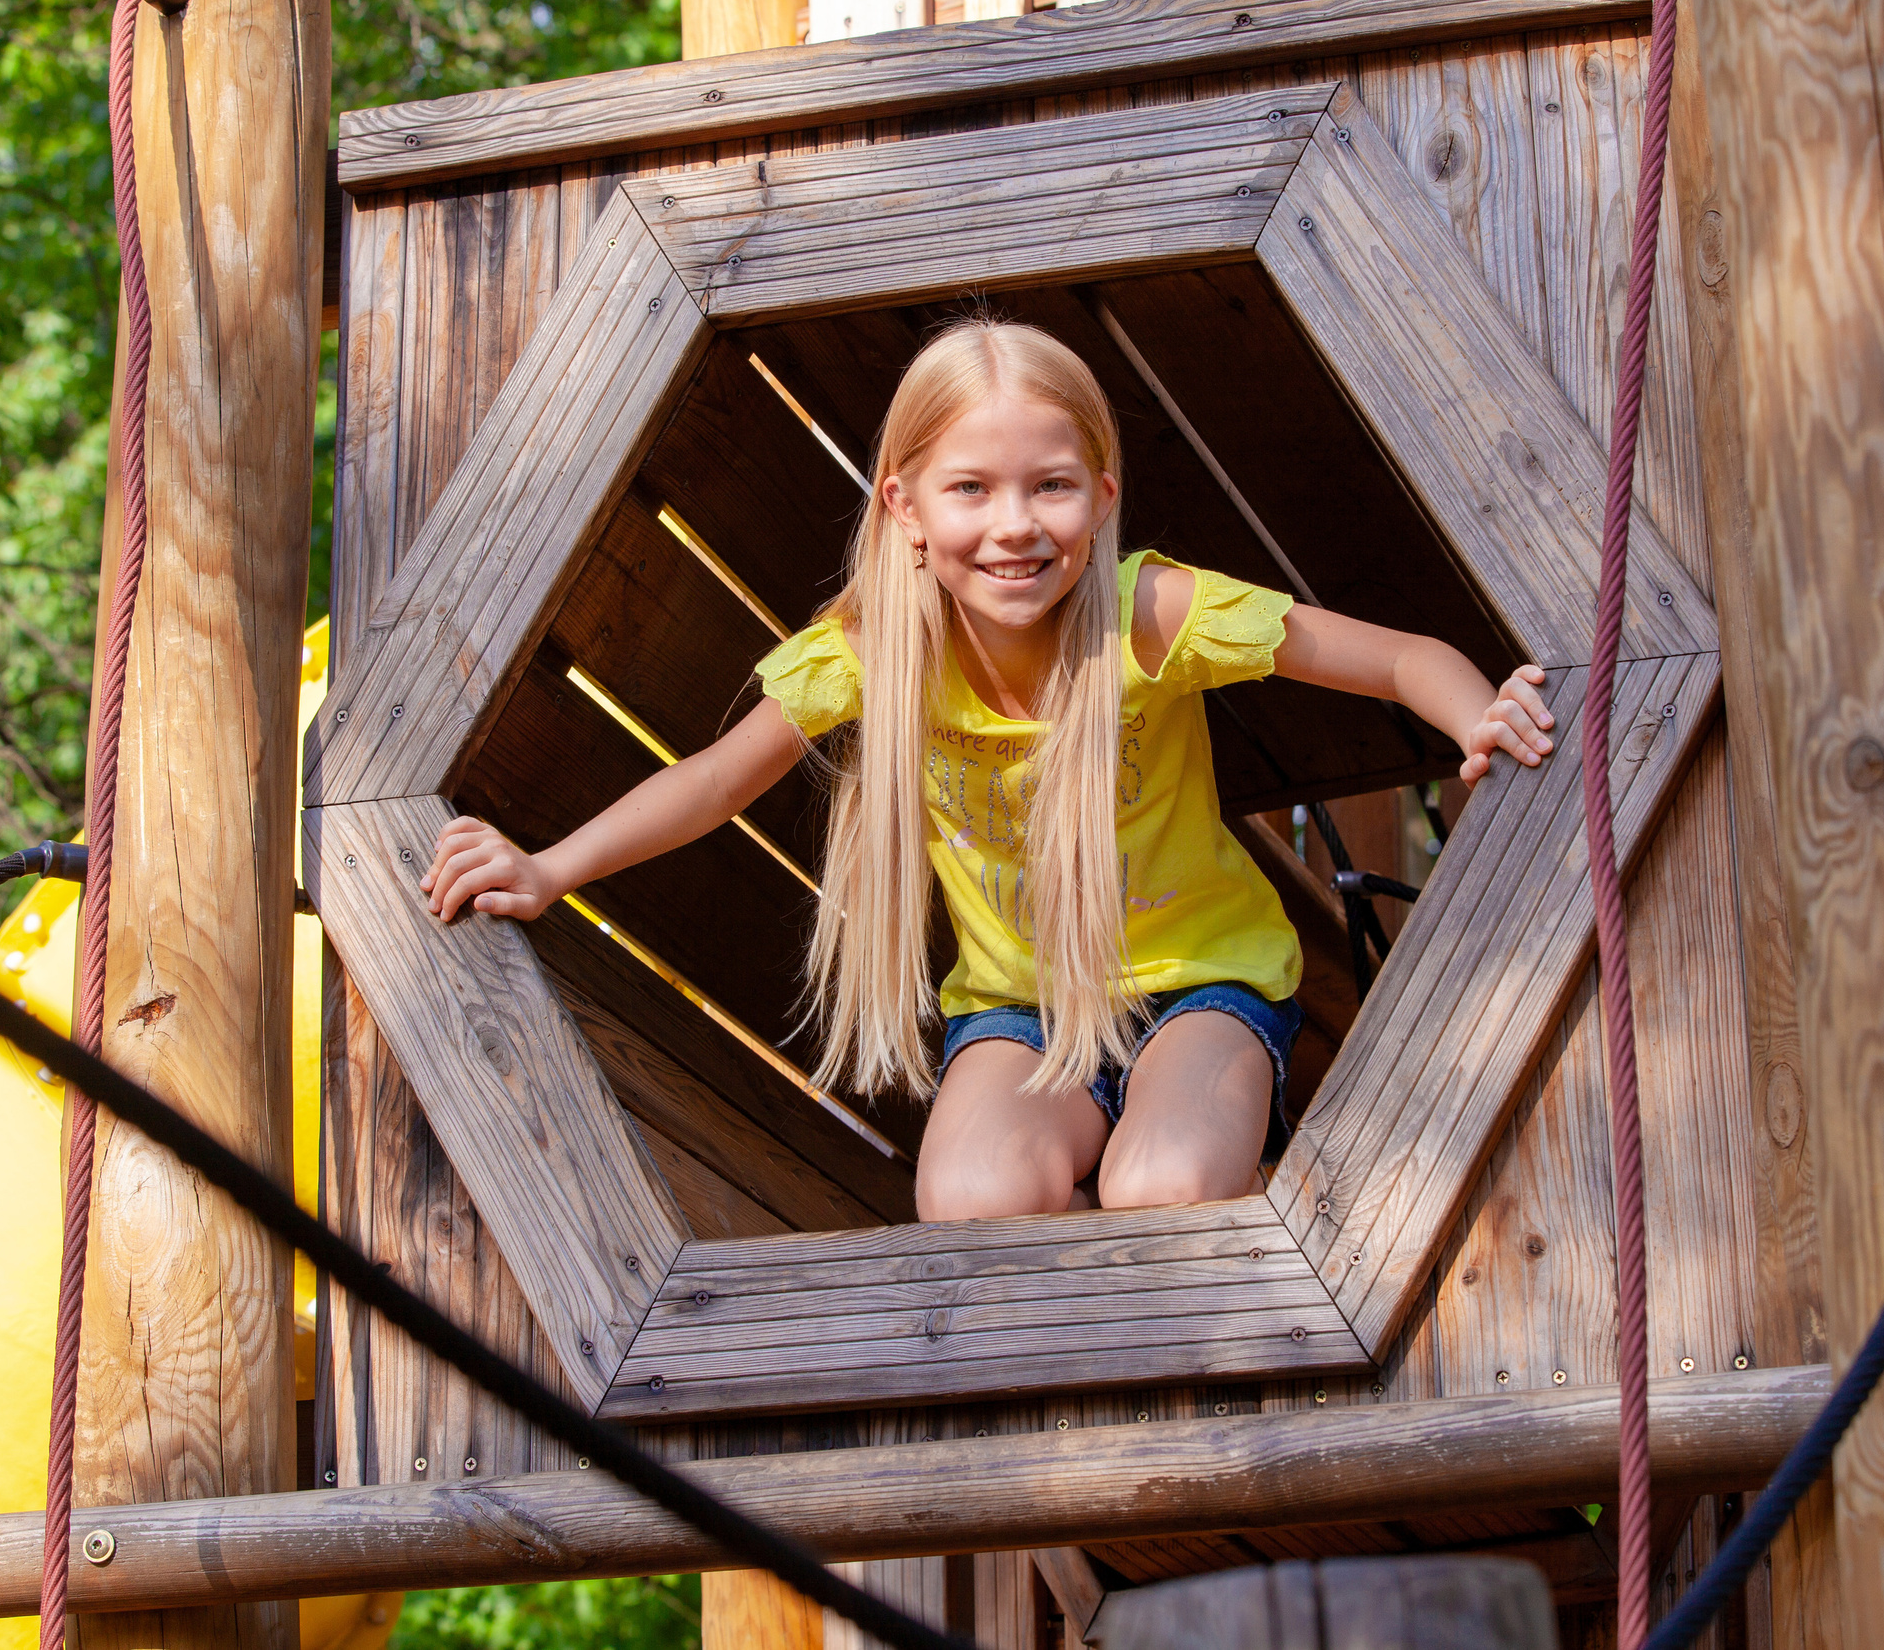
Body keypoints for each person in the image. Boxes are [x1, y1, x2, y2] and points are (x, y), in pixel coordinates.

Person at [421, 320, 1555, 1223]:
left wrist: (1481, 718)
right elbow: (717, 779)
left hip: (1198, 982)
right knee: (970, 1204)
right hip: (1017, 1011)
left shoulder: (1150, 614)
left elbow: (1400, 658)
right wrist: (550, 867)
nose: (1014, 525)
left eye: (1050, 485)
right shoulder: (877, 650)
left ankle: (1262, 1243)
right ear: (904, 509)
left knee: (1161, 1189)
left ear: (1103, 498)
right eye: (970, 489)